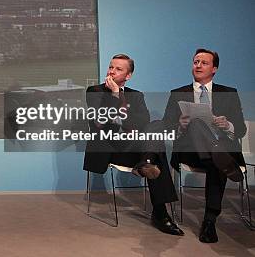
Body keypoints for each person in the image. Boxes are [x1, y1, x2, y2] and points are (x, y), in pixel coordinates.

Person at [84, 54, 182, 235]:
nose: (111, 71)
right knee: (156, 154)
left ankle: (147, 161)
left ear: (128, 76)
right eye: (111, 67)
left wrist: (123, 119)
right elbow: (99, 123)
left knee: (157, 125)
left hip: (133, 147)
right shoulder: (94, 91)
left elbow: (143, 123)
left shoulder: (136, 96)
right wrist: (114, 96)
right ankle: (160, 213)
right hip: (110, 148)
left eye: (118, 69)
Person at [163, 48, 246, 243]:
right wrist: (180, 126)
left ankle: (209, 221)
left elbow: (240, 129)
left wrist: (228, 125)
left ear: (214, 68)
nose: (198, 65)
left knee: (216, 159)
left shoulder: (229, 93)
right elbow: (166, 126)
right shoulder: (177, 93)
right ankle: (219, 156)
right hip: (190, 151)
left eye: (204, 62)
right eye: (195, 62)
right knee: (197, 123)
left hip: (221, 148)